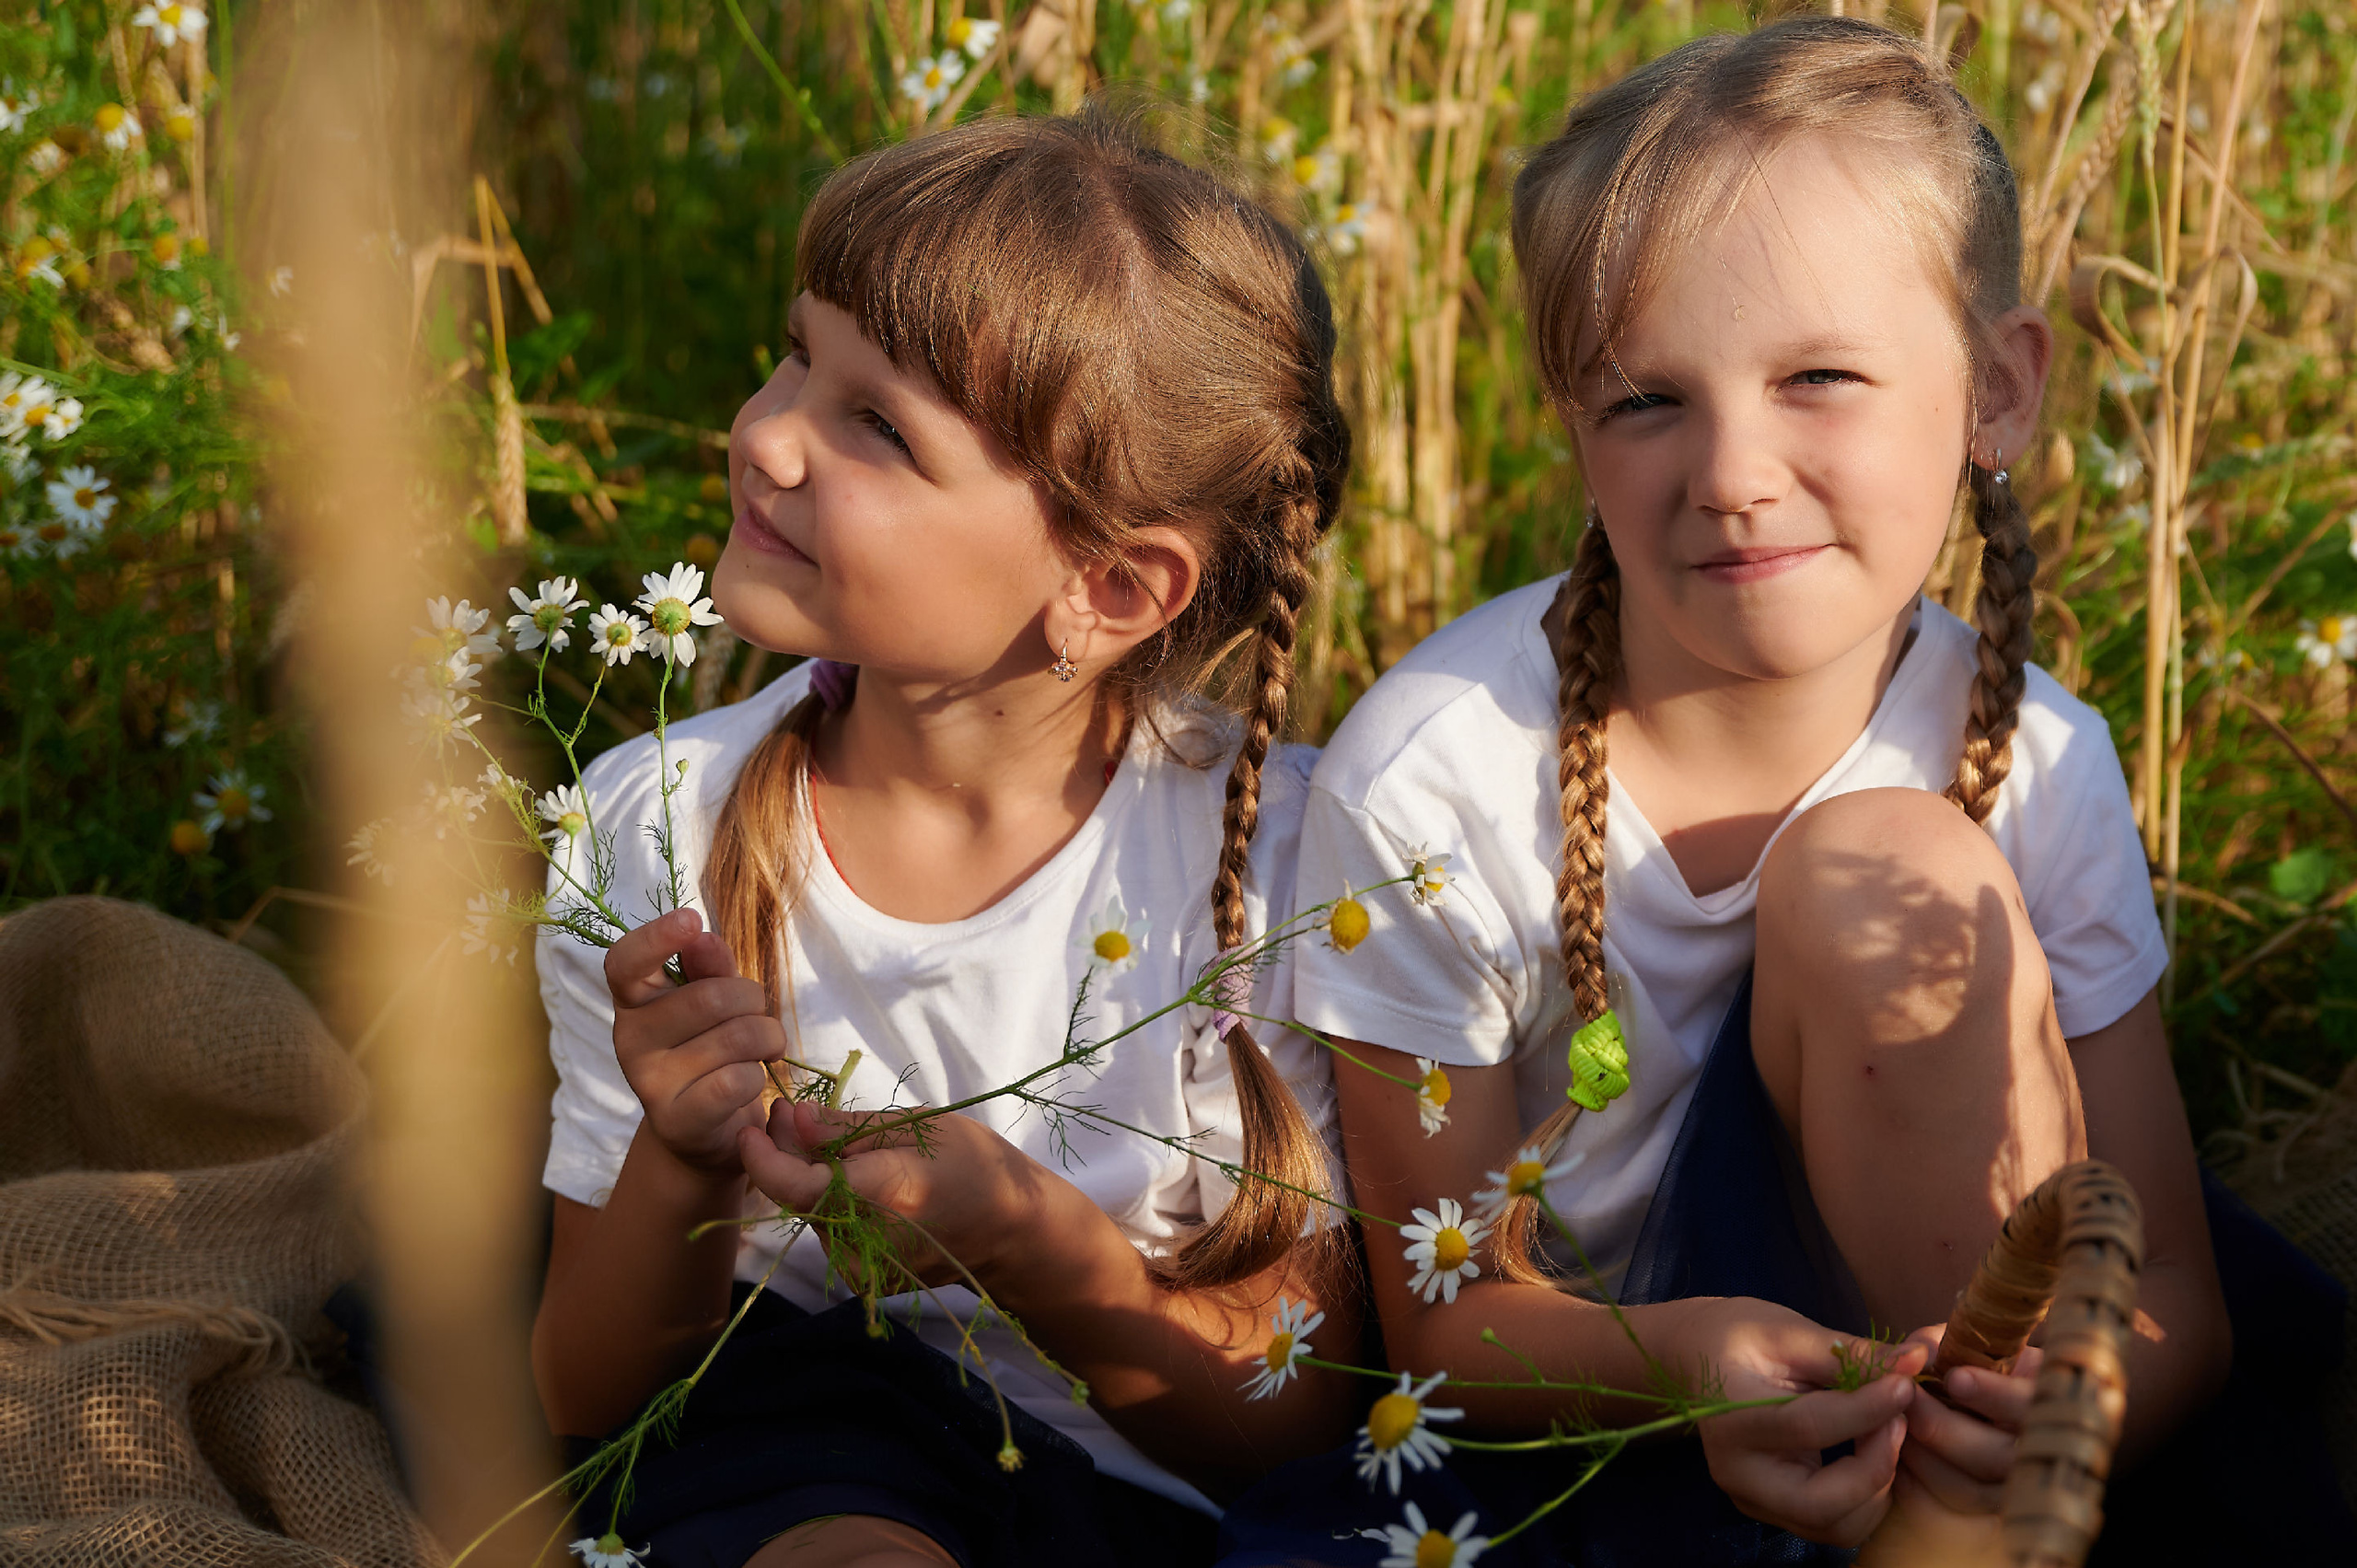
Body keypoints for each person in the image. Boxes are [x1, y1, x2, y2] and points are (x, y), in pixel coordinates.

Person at [1216, 17, 2339, 1566]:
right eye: (1646, 400)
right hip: (1598, 1427)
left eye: (1817, 375)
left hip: (1948, 1437)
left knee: (1892, 870)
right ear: (1575, 428)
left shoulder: (2041, 759)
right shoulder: (1440, 774)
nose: (1733, 470)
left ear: (1998, 394)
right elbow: (1444, 1320)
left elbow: (2175, 1306)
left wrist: (2066, 1403)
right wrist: (1682, 1375)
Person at [530, 110, 1360, 1568]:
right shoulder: (653, 822)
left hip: (1137, 1503)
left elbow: (1286, 1420)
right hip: (789, 1452)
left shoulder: (1279, 879)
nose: (766, 434)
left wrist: (1031, 1238)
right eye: (796, 354)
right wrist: (682, 1154)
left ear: (1109, 588)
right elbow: (583, 1388)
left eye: (878, 428)